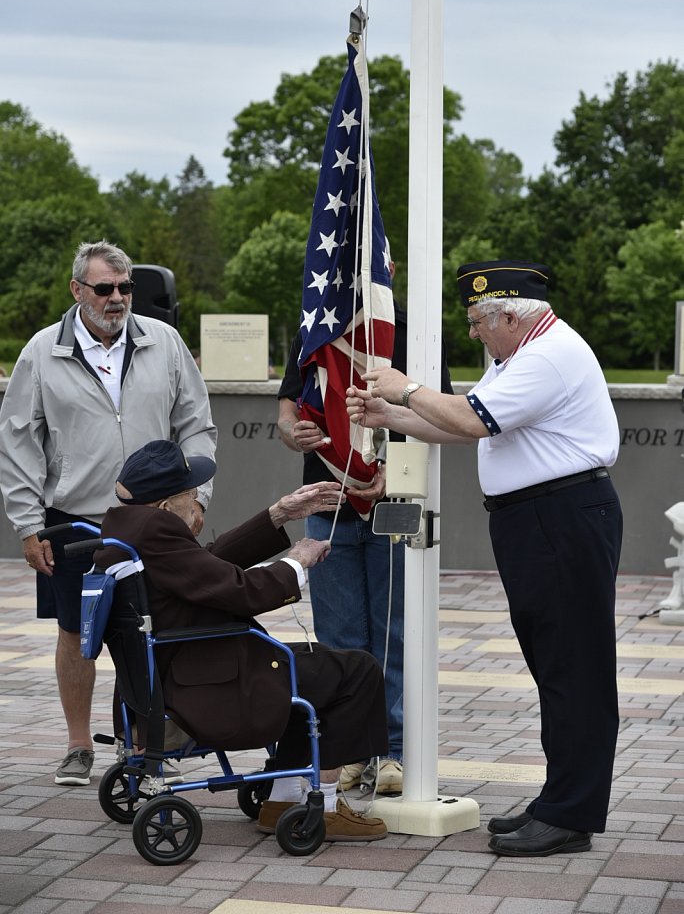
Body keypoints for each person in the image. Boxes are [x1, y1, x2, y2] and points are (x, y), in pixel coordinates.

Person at [346, 260, 623, 858]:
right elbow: (477, 425)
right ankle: (560, 799)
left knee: (574, 667)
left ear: (508, 314)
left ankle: (571, 814)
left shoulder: (548, 356)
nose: (472, 332)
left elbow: (473, 419)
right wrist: (392, 415)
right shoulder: (520, 354)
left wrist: (405, 389)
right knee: (556, 665)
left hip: (562, 516)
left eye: (477, 321)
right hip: (544, 518)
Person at [0, 240, 217, 788]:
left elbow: (195, 425)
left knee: (151, 631)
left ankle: (144, 745)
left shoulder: (164, 342)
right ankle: (77, 745)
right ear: (78, 291)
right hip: (74, 521)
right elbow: (18, 444)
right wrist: (28, 525)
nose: (117, 298)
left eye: (124, 288)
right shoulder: (42, 352)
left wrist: (197, 497)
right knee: (77, 632)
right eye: (105, 289)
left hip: (155, 521)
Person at [97, 439, 390, 843]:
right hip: (205, 685)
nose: (199, 501)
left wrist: (278, 515)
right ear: (166, 505)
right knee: (357, 670)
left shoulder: (125, 528)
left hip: (175, 675)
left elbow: (206, 567)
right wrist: (296, 563)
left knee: (318, 662)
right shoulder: (158, 532)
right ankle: (313, 803)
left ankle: (283, 795)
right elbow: (240, 590)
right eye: (191, 494)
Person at [278, 274, 453, 796]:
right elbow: (288, 405)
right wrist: (294, 433)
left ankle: (395, 749)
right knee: (338, 637)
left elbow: (439, 407)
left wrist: (391, 459)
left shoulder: (415, 330)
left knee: (395, 632)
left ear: (387, 269)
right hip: (326, 499)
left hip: (393, 496)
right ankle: (352, 749)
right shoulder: (317, 322)